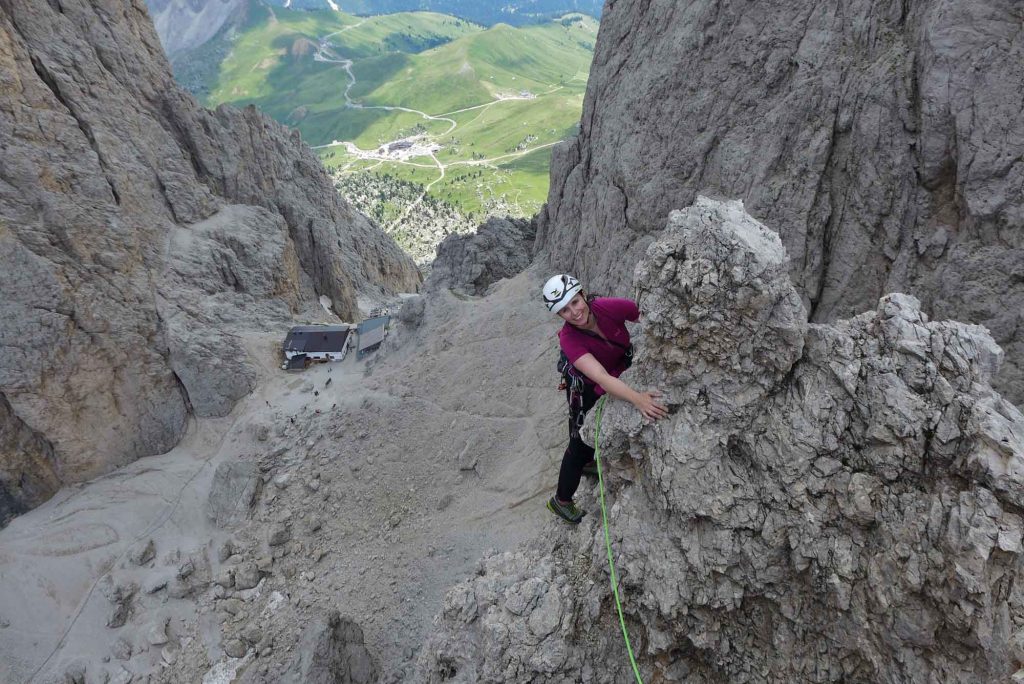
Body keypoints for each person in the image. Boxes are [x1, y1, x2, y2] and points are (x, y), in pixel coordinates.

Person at [542, 274, 668, 524]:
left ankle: (589, 462)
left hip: (618, 370)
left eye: (575, 302)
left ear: (583, 295)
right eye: (565, 310)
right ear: (560, 317)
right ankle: (562, 501)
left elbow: (641, 314)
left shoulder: (607, 307)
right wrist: (638, 399)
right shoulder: (570, 339)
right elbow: (599, 376)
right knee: (578, 444)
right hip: (587, 388)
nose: (574, 312)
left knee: (585, 443)